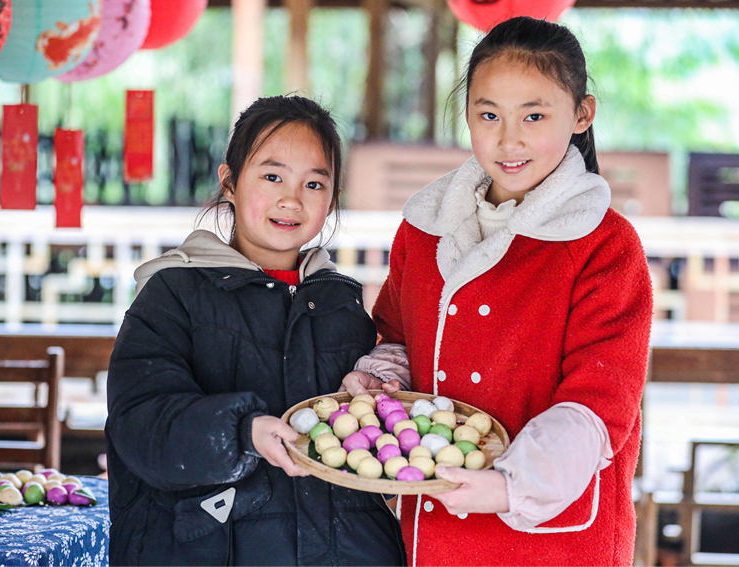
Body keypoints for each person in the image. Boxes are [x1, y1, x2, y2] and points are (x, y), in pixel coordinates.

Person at [343, 16, 653, 567]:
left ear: (582, 114)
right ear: (466, 115)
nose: (508, 139)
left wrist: (508, 486)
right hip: (434, 534)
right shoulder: (424, 228)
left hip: (554, 541)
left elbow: (598, 407)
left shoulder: (606, 247)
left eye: (534, 115)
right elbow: (398, 332)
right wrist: (385, 377)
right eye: (489, 115)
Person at [106, 95, 406, 566]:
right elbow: (140, 425)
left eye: (314, 183)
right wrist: (241, 434)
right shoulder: (174, 293)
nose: (291, 199)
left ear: (332, 199)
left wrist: (373, 391)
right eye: (272, 176)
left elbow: (354, 430)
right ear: (229, 181)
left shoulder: (339, 301)